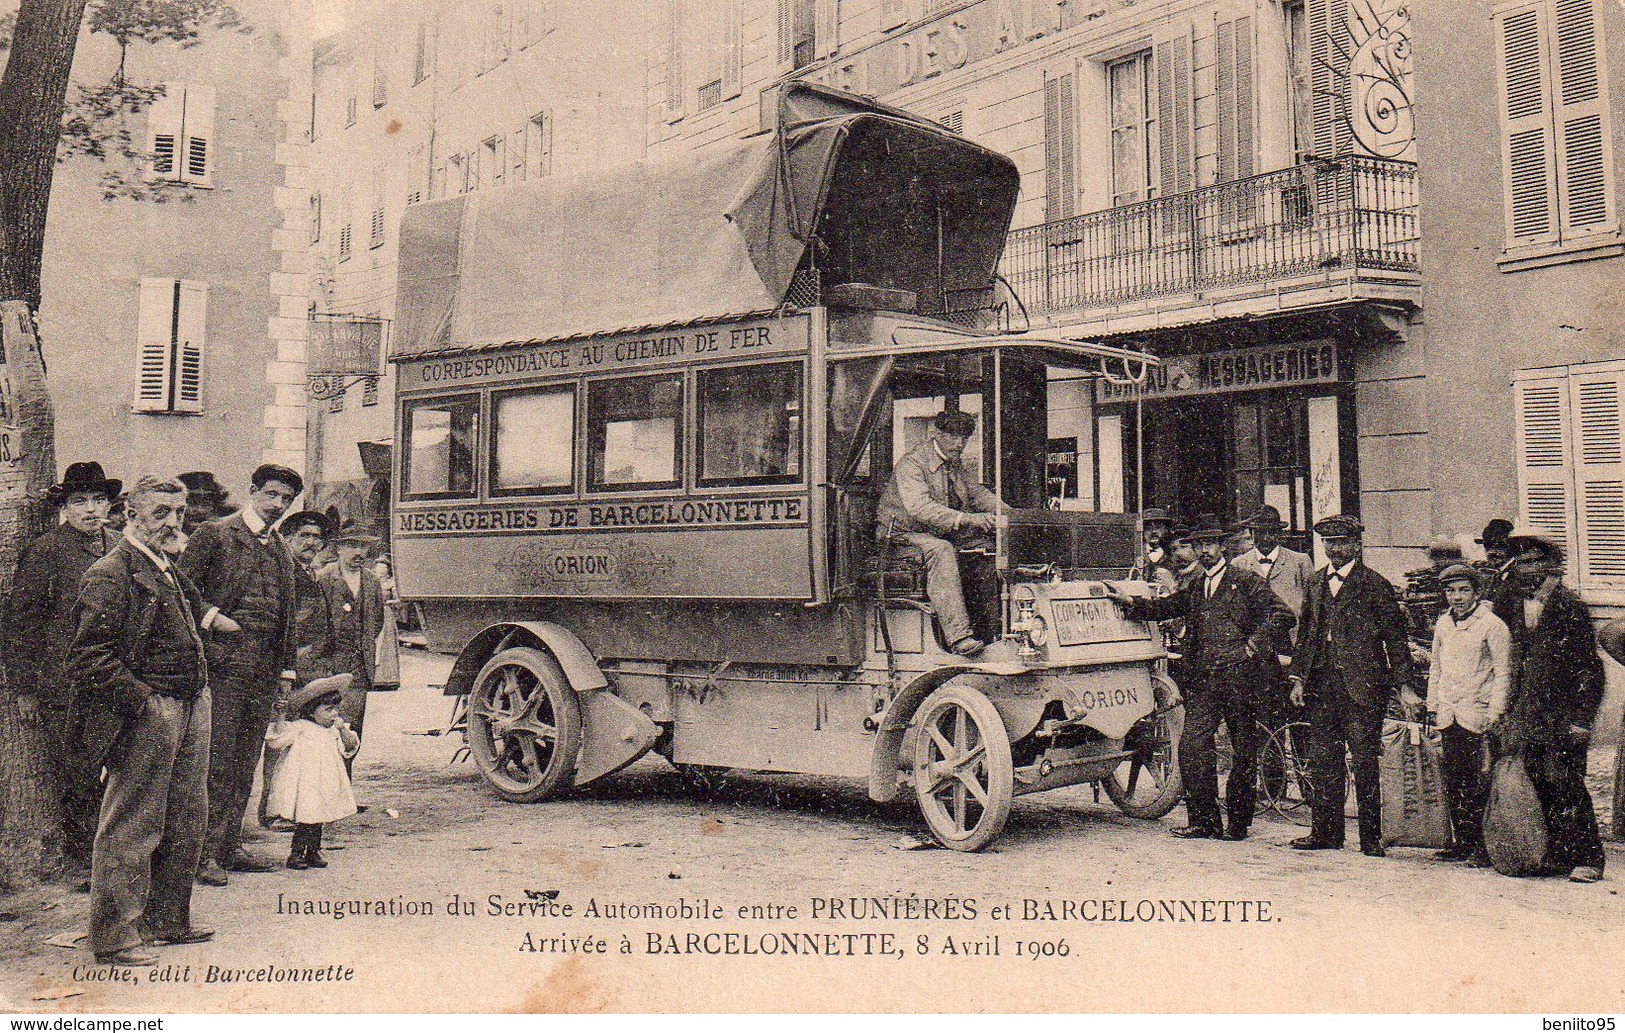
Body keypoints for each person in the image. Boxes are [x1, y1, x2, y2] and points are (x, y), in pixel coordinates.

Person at [68, 476, 221, 966]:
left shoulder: (165, 565)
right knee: (132, 824)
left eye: (179, 512)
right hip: (151, 712)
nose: (174, 522)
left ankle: (167, 920)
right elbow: (89, 658)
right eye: (161, 513)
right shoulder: (111, 572)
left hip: (191, 704)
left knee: (185, 816)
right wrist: (144, 704)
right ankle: (114, 937)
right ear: (130, 515)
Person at [1107, 516, 1294, 841]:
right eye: (1198, 545)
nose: (1204, 551)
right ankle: (1203, 821)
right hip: (1206, 682)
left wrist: (1251, 646)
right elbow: (1165, 608)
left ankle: (1237, 824)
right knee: (1192, 747)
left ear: (1223, 546)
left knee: (1243, 751)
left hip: (1241, 681)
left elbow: (1282, 615)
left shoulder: (1246, 581)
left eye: (1210, 544)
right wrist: (1131, 603)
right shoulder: (1197, 587)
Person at [181, 464, 302, 886]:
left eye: (286, 500)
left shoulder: (282, 549)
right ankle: (202, 856)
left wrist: (286, 668)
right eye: (271, 495)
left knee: (245, 761)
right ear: (253, 491)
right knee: (217, 762)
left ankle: (229, 847)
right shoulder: (214, 534)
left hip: (262, 671)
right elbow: (181, 589)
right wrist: (213, 617)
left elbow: (288, 617)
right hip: (221, 668)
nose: (278, 505)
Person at [4, 461, 118, 871]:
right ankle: (83, 859)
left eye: (98, 500)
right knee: (78, 773)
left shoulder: (121, 545)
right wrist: (24, 689)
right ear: (65, 507)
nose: (91, 510)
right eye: (80, 501)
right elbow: (22, 621)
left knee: (120, 767)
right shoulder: (47, 550)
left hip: (115, 678)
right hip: (64, 682)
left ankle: (115, 851)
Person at [1288, 515, 1412, 857]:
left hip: (1362, 688)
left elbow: (1396, 640)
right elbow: (1306, 636)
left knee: (1363, 761)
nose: (1334, 548)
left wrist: (1404, 685)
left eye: (1341, 541)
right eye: (1328, 542)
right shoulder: (1314, 583)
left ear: (1356, 544)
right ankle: (1325, 833)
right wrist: (1298, 677)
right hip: (1320, 685)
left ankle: (1371, 839)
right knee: (1324, 760)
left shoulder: (1374, 584)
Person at [1496, 529, 1606, 883]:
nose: (1527, 569)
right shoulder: (1515, 602)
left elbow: (1591, 669)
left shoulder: (1569, 606)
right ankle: (1557, 856)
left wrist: (1581, 719)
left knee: (1567, 783)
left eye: (1535, 561)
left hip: (1562, 716)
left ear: (1550, 564)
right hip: (1529, 713)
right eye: (1522, 562)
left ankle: (1589, 858)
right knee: (1539, 781)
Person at [874, 410, 1010, 656]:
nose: (960, 444)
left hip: (936, 533)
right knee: (941, 551)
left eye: (965, 438)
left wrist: (1011, 514)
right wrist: (969, 519)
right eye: (954, 437)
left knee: (988, 549)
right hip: (900, 537)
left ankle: (995, 632)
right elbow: (920, 508)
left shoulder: (955, 463)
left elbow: (977, 495)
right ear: (937, 434)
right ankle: (959, 637)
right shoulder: (912, 464)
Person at [1425, 564, 1510, 867]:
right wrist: (1433, 706)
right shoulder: (1444, 624)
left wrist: (1495, 711)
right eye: (1451, 590)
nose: (1457, 597)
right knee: (1456, 780)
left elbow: (1503, 672)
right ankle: (1462, 843)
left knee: (1479, 782)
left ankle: (1483, 847)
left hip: (1478, 713)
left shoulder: (1492, 625)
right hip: (1450, 713)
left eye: (1464, 590)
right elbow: (1436, 666)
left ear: (1476, 592)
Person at [263, 674, 359, 870]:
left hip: (325, 780)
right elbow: (278, 738)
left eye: (336, 709)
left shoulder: (333, 730)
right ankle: (297, 852)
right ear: (311, 712)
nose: (334, 714)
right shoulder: (300, 728)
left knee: (319, 817)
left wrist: (342, 730)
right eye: (328, 709)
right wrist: (280, 715)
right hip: (305, 781)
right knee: (307, 817)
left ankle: (313, 851)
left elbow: (350, 747)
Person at [319, 520, 387, 758]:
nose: (359, 552)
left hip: (359, 670)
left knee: (351, 735)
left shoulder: (372, 581)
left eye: (363, 546)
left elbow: (377, 621)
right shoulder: (324, 578)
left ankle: (344, 788)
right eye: (352, 545)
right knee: (324, 732)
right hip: (327, 668)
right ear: (338, 548)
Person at [1130, 508, 1179, 594]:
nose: (1154, 531)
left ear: (1166, 530)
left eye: (1158, 527)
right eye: (1149, 528)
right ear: (1142, 530)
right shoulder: (1135, 555)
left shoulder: (1174, 556)